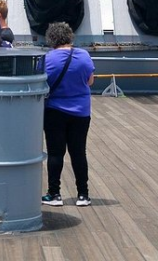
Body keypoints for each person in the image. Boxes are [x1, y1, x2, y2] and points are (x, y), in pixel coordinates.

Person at [40, 22, 95, 208]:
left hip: (55, 110)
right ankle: (83, 194)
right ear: (70, 36)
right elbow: (90, 81)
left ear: (52, 39)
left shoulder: (48, 59)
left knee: (56, 153)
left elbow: (42, 83)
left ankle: (54, 194)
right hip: (81, 111)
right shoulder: (84, 56)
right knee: (79, 152)